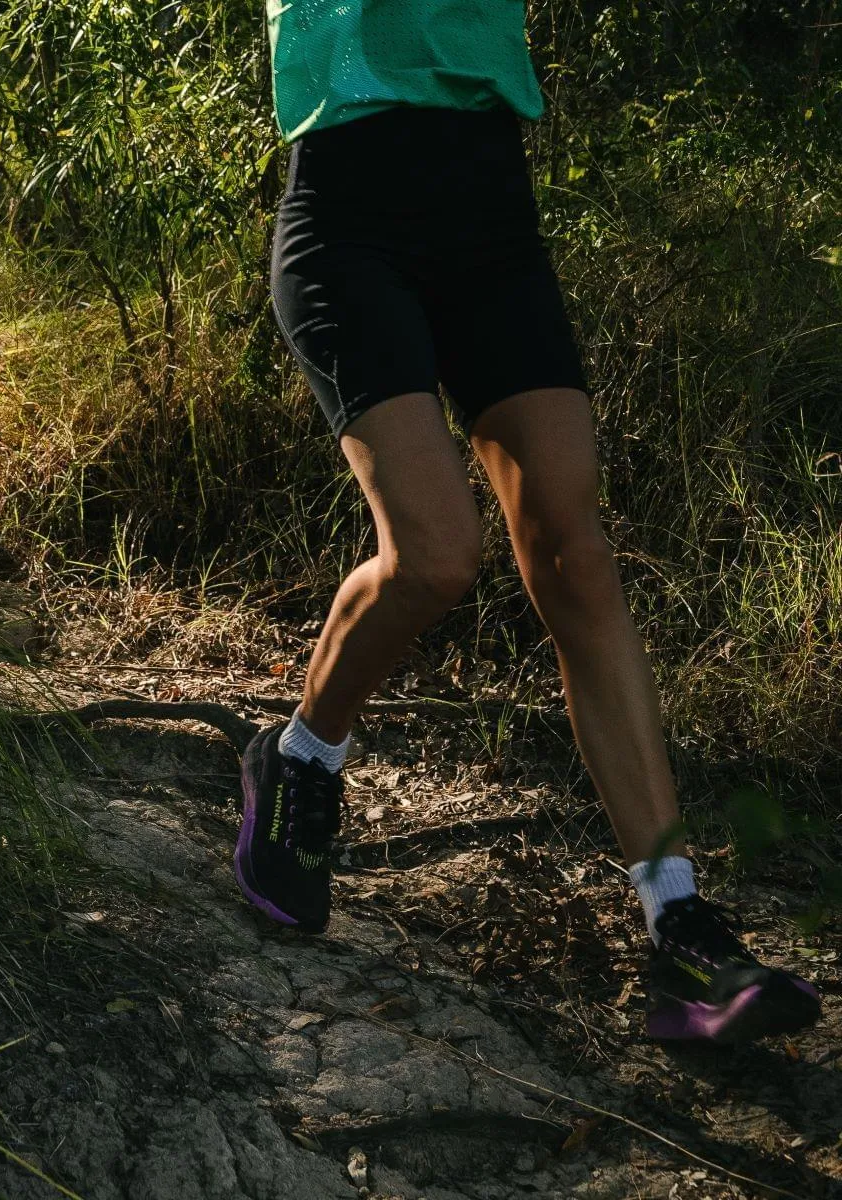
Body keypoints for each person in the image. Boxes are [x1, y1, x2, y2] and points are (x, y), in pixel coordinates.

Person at [233, 0, 821, 1044]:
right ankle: (302, 759)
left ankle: (678, 923)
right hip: (350, 213)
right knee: (435, 553)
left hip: (490, 211)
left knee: (573, 551)